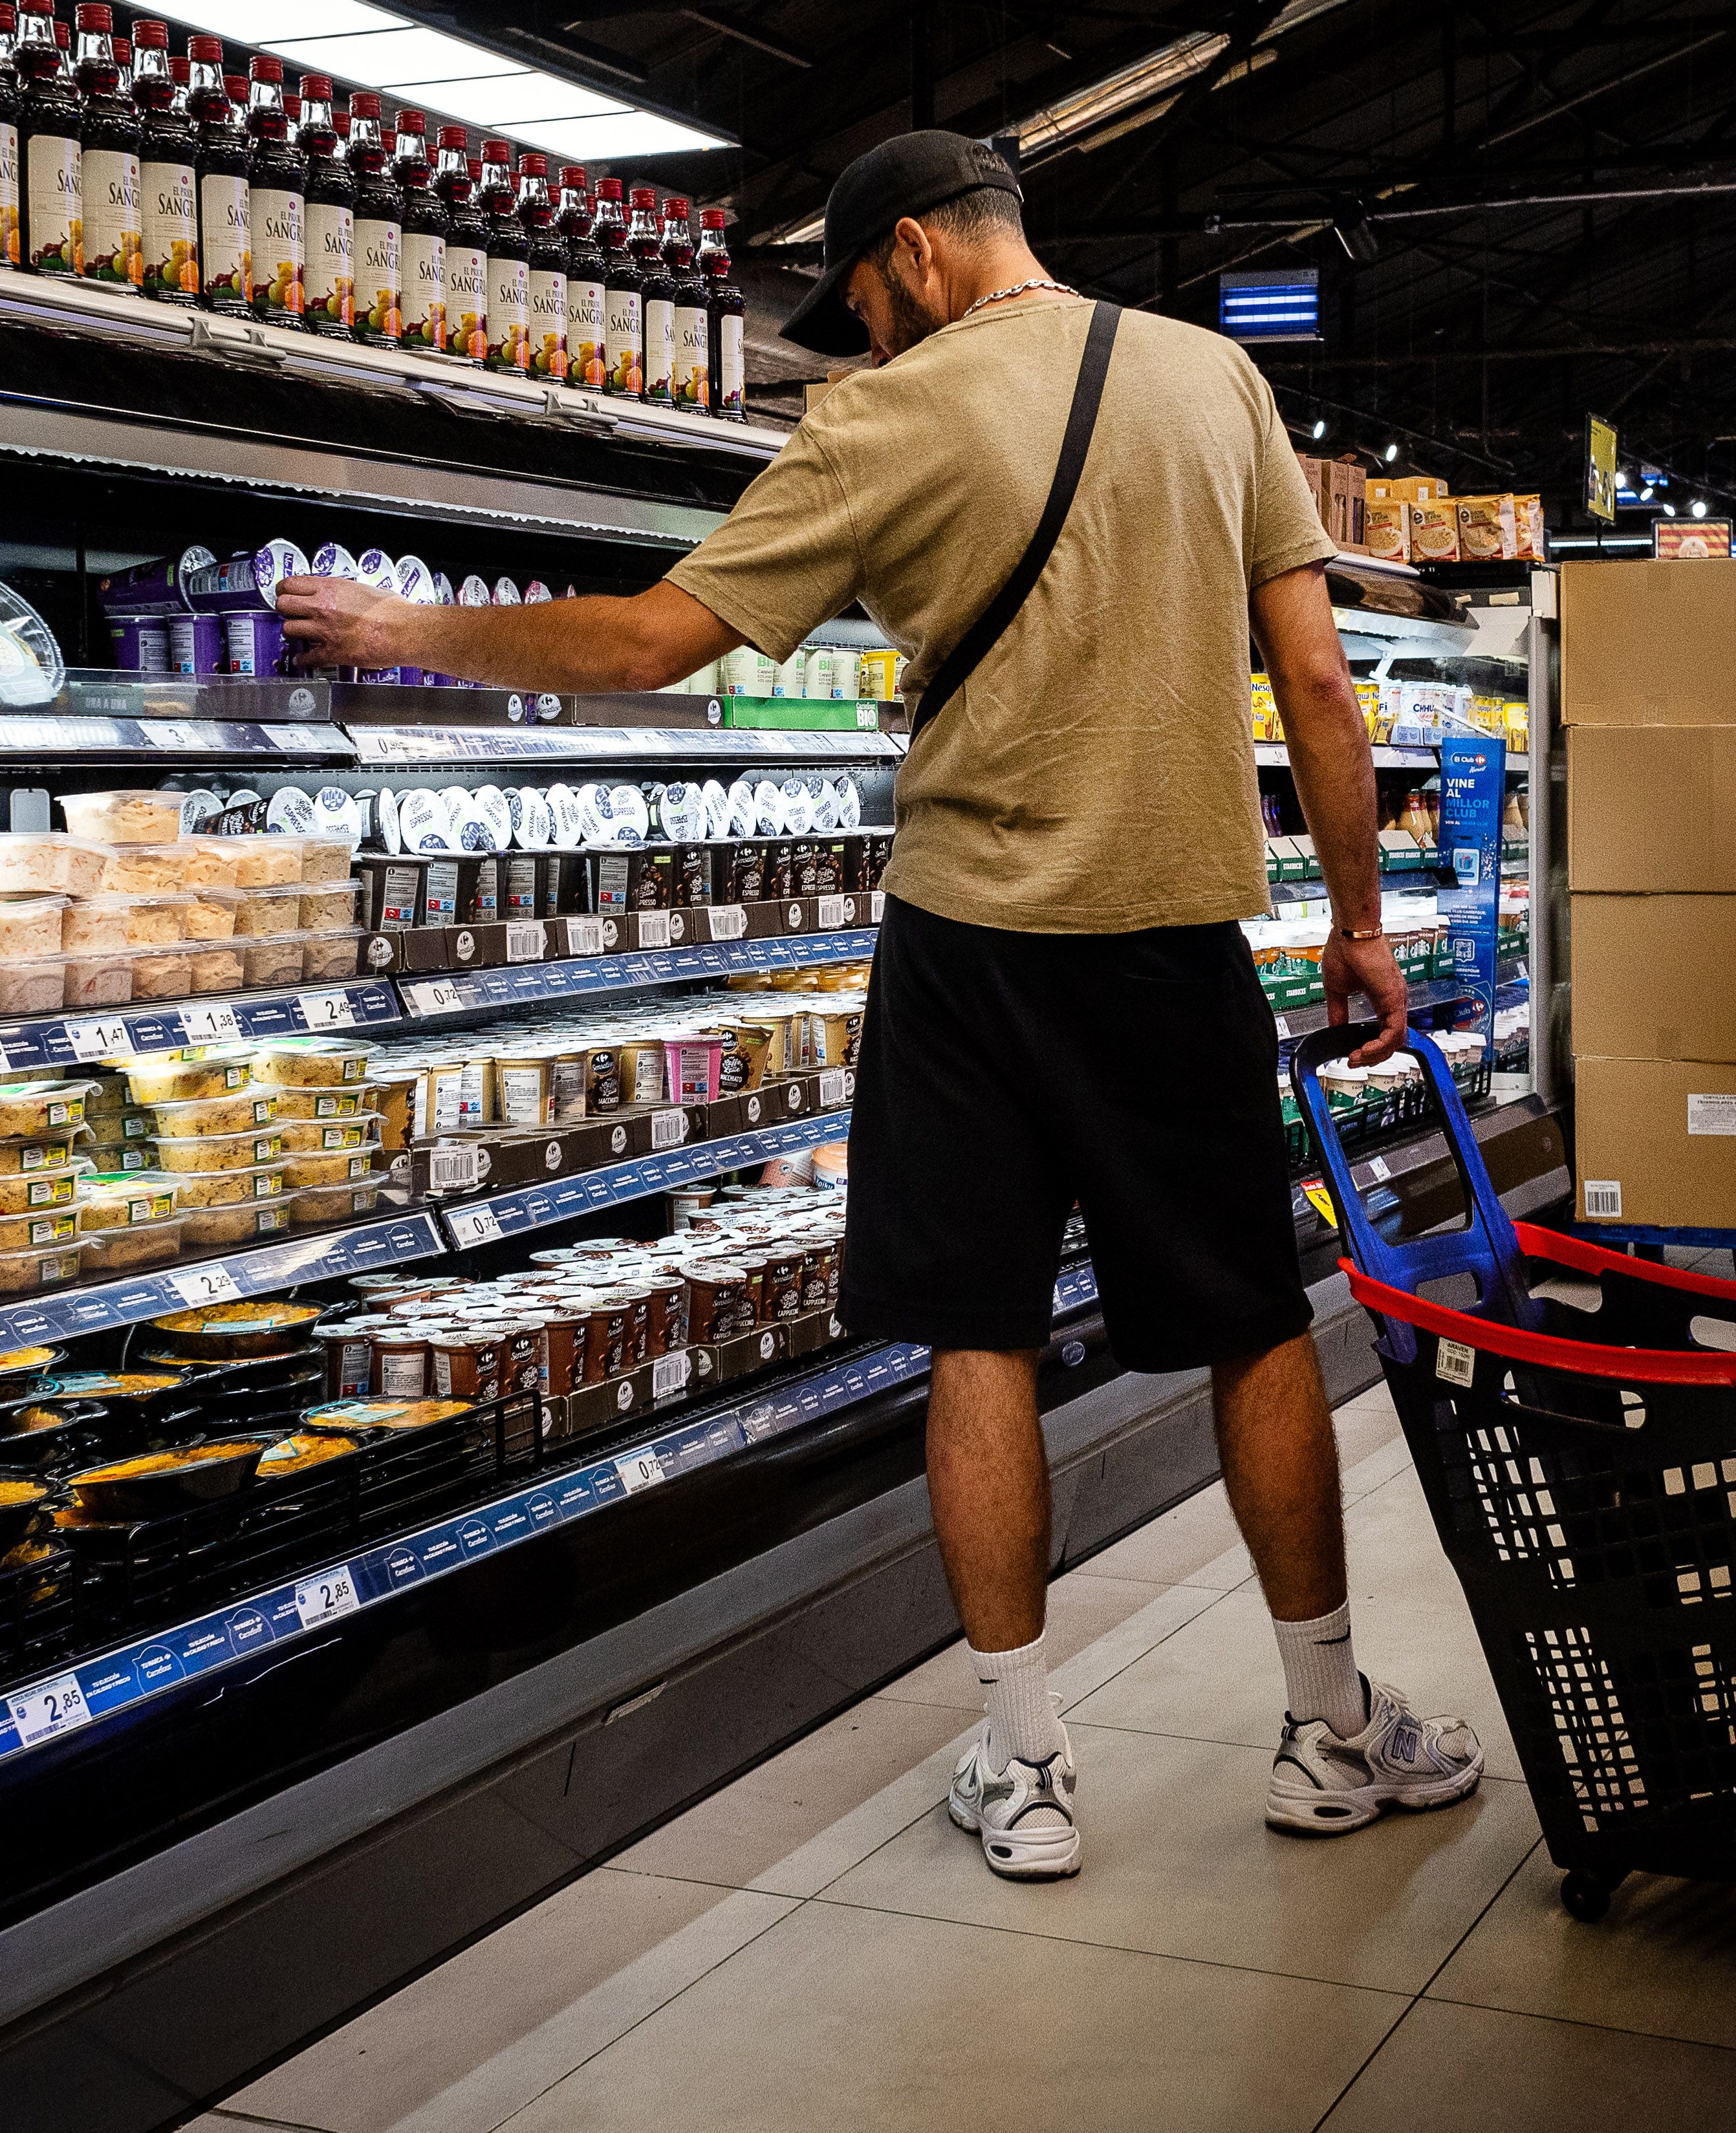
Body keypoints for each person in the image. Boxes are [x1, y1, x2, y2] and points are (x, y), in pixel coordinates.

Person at [270, 129, 1480, 1884]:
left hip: (972, 940)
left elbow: (645, 648)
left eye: (863, 305)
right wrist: (1359, 920)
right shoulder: (1216, 378)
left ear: (911, 252)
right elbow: (1315, 681)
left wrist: (406, 631)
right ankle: (1326, 1728)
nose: (873, 343)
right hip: (1171, 933)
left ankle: (1028, 1761)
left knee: (975, 1331)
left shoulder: (876, 422)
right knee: (1250, 1322)